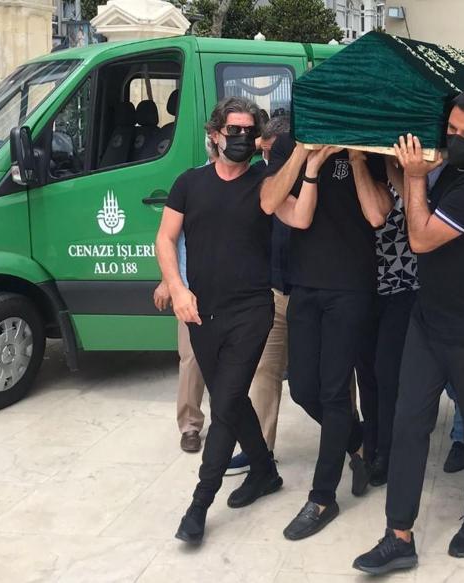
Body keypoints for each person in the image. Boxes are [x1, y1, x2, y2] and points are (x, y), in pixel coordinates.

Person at [353, 89, 464, 575]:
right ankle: (398, 534)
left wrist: (417, 177)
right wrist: (399, 168)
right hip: (429, 318)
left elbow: (420, 238)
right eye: (452, 129)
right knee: (408, 423)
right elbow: (412, 201)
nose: (456, 139)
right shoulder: (455, 169)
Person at [156, 97, 283, 544]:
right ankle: (265, 471)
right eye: (234, 130)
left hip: (251, 311)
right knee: (233, 399)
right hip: (200, 313)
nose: (242, 138)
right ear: (215, 134)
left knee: (224, 405)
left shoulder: (265, 183)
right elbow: (165, 239)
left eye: (250, 131)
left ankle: (199, 505)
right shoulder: (189, 183)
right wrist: (176, 287)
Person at [260, 130, 392, 540]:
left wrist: (355, 158)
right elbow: (270, 202)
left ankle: (322, 497)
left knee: (335, 392)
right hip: (303, 283)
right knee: (303, 388)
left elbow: (377, 214)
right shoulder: (289, 145)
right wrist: (306, 154)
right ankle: (357, 441)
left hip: (352, 285)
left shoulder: (368, 145)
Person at [225, 115, 293, 475]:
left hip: (314, 290)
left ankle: (351, 443)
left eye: (271, 153)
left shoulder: (310, 175)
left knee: (333, 375)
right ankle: (259, 451)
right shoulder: (257, 179)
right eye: (262, 152)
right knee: (264, 371)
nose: (265, 160)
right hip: (274, 289)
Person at [355, 159, 422, 487]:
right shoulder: (354, 169)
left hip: (403, 284)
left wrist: (391, 163)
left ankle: (388, 450)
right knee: (366, 372)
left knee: (387, 370)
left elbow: (415, 209)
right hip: (362, 285)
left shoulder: (409, 169)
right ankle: (371, 444)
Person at [154, 139, 216, 454]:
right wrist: (169, 282)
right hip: (191, 290)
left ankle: (225, 422)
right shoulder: (191, 184)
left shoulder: (249, 182)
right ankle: (190, 426)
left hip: (232, 293)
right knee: (192, 361)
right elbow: (170, 237)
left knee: (229, 364)